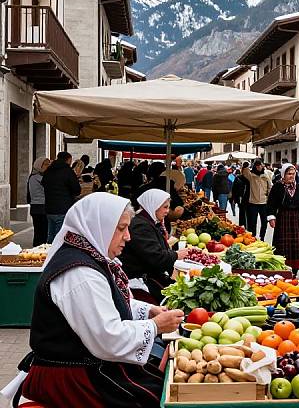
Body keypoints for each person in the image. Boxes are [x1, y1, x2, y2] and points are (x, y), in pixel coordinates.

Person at [21, 192, 184, 407]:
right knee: (157, 399)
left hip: (89, 365)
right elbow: (108, 338)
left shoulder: (89, 256)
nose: (128, 236)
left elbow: (105, 302)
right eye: (121, 228)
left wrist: (147, 311)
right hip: (74, 375)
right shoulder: (80, 273)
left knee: (160, 384)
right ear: (99, 226)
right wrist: (154, 326)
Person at [120, 189, 188, 302]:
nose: (167, 211)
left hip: (148, 276)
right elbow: (156, 257)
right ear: (153, 205)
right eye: (165, 207)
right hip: (141, 281)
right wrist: (177, 255)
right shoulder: (140, 226)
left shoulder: (147, 222)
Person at [267, 163, 299, 276]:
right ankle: (282, 266)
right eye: (289, 174)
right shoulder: (277, 187)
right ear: (283, 175)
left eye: (293, 174)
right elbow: (271, 203)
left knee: (295, 244)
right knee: (282, 243)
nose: (291, 176)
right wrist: (271, 217)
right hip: (283, 217)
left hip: (295, 218)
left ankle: (295, 269)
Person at [42, 151, 81, 243]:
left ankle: (48, 254)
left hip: (49, 207)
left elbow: (44, 184)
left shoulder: (48, 170)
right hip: (63, 207)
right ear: (68, 160)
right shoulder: (67, 171)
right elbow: (76, 189)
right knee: (59, 237)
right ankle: (55, 255)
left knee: (51, 235)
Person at [243, 159, 272, 240]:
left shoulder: (266, 175)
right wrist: (245, 165)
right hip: (253, 202)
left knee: (264, 222)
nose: (259, 167)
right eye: (257, 165)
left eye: (260, 165)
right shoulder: (251, 175)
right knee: (252, 222)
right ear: (255, 166)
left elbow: (270, 187)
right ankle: (253, 236)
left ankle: (262, 236)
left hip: (264, 202)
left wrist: (269, 199)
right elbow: (245, 172)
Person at [27, 157, 50, 247]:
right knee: (40, 231)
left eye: (49, 164)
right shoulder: (36, 177)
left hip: (38, 207)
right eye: (45, 164)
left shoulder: (38, 177)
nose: (48, 166)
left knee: (41, 231)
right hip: (40, 206)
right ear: (39, 165)